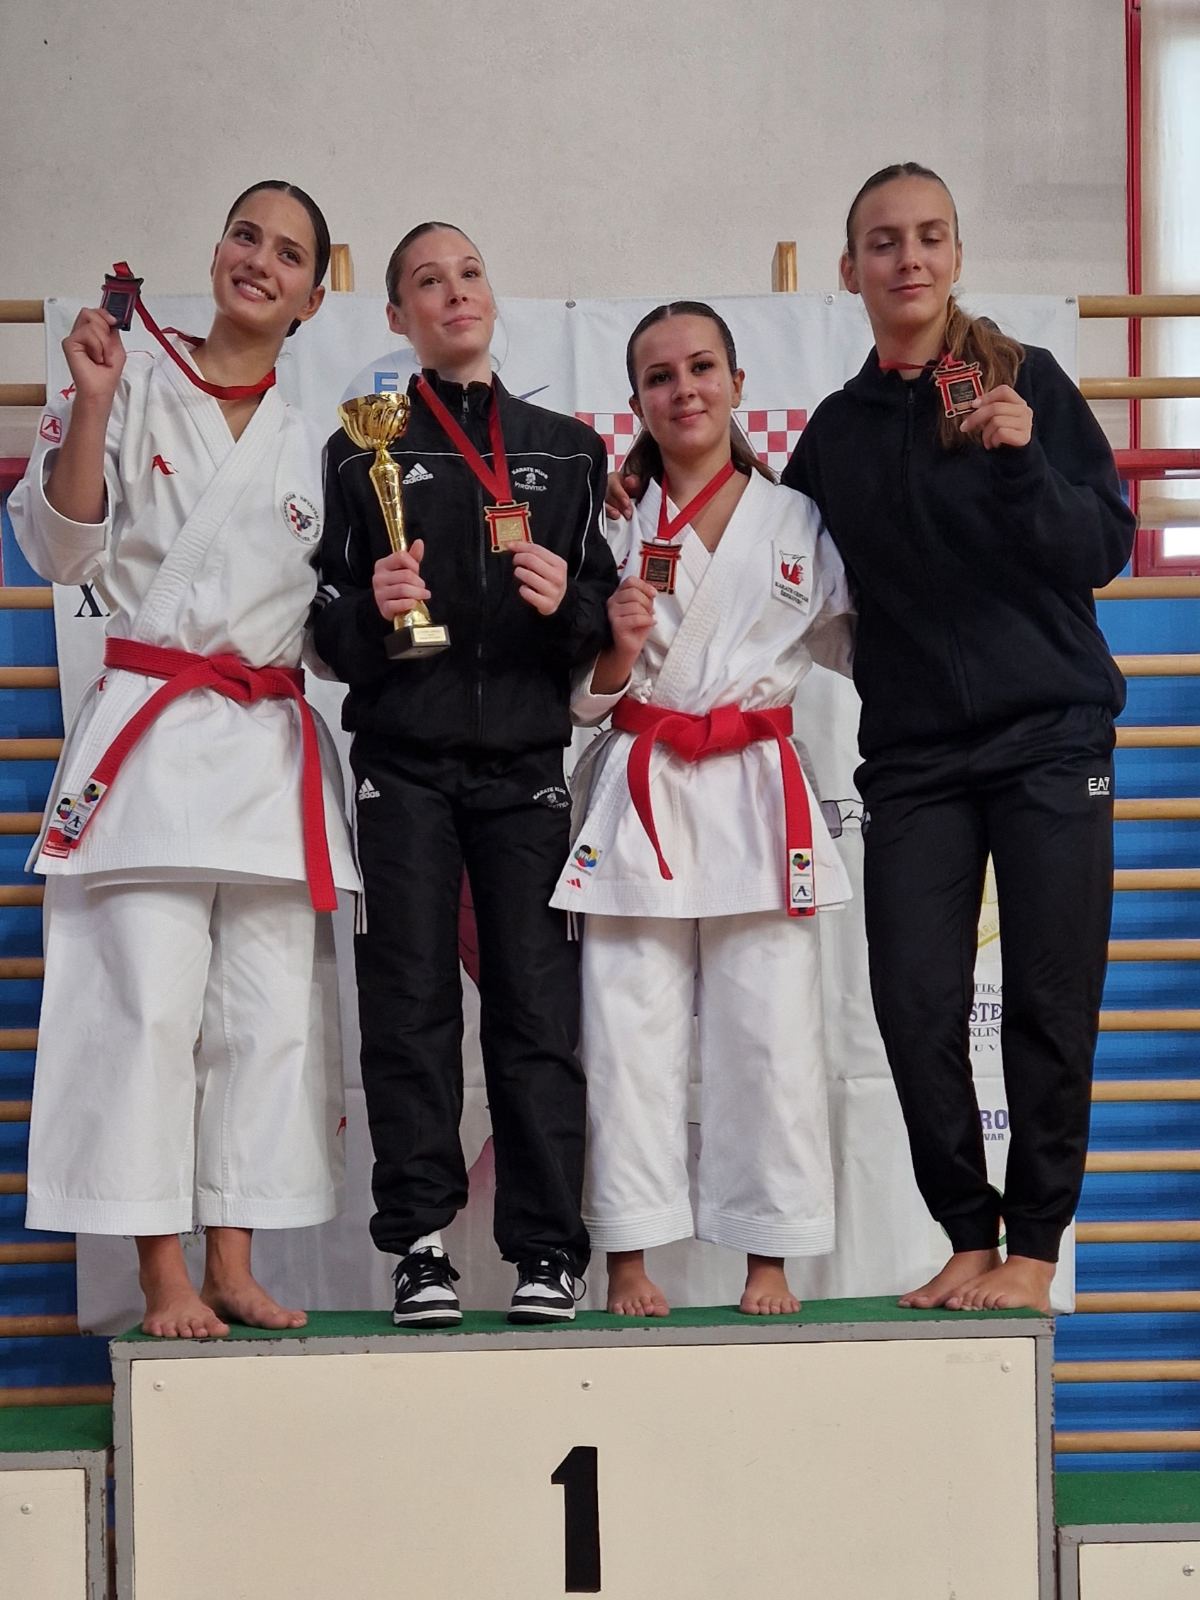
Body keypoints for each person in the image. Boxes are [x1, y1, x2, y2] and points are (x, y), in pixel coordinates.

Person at [11, 180, 360, 1338]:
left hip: (266, 752)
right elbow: (63, 547)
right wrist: (94, 403)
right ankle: (161, 1271)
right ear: (215, 254)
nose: (261, 260)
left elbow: (328, 626)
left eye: (289, 253)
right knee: (146, 1012)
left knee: (265, 1016)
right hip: (152, 744)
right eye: (245, 236)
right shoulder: (128, 377)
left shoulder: (323, 445)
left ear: (313, 296)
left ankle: (232, 1261)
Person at [784, 163, 1134, 1312]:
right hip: (917, 761)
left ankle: (1034, 1244)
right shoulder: (836, 433)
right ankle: (969, 1237)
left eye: (930, 236)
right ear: (851, 269)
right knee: (913, 1003)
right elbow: (778, 571)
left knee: (1047, 1001)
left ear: (958, 254)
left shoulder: (1025, 383)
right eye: (885, 241)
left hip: (1051, 740)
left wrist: (1023, 459)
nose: (910, 259)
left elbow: (1101, 549)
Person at [313, 222, 618, 1326]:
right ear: (397, 316)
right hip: (402, 765)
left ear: (493, 294)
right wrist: (373, 608)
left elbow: (605, 615)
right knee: (407, 1008)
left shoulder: (568, 451)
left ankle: (547, 1250)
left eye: (470, 273)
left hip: (527, 765)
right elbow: (323, 622)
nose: (455, 293)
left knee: (537, 1011)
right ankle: (421, 1247)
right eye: (427, 282)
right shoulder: (360, 449)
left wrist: (568, 604)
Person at [559, 302, 853, 1318]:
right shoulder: (609, 521)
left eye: (700, 368)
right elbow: (579, 700)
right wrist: (615, 648)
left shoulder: (798, 520)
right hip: (641, 782)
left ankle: (768, 1255)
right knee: (625, 1032)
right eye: (660, 376)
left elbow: (860, 644)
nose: (683, 389)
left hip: (756, 791)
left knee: (769, 1034)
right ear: (637, 401)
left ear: (736, 383)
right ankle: (629, 1253)